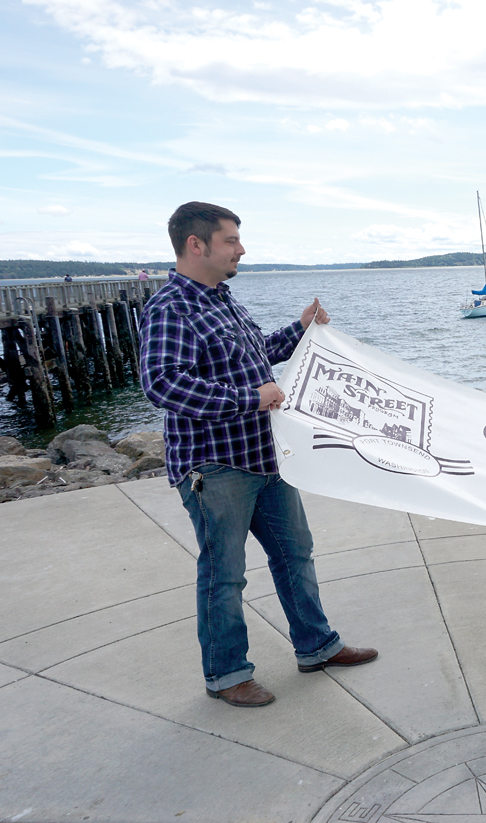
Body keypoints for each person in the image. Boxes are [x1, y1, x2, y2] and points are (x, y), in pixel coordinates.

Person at [139, 202, 377, 707]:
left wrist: (300, 329)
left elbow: (252, 357)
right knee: (224, 574)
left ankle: (317, 646)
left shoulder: (222, 299)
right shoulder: (171, 307)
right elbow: (162, 384)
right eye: (231, 240)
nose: (242, 249)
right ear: (196, 245)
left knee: (295, 554)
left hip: (265, 458)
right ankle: (227, 676)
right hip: (215, 466)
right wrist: (252, 399)